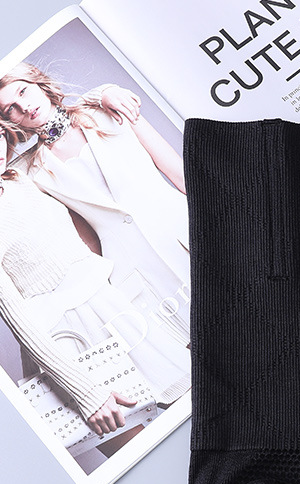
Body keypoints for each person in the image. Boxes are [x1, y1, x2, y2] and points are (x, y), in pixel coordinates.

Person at [0, 121, 190, 438]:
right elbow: (19, 320)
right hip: (64, 343)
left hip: (113, 309)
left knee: (202, 413)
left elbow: (57, 126)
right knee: (138, 449)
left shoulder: (18, 175)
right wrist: (86, 392)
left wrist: (99, 97)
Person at [0, 63, 191, 352]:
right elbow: (86, 240)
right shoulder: (31, 173)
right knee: (197, 358)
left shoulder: (108, 110)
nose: (24, 107)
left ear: (38, 82)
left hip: (184, 233)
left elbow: (181, 175)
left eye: (23, 91)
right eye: (10, 109)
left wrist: (104, 93)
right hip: (134, 275)